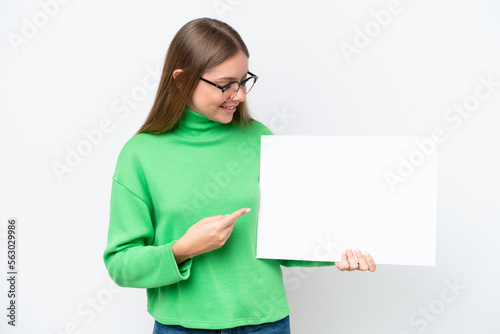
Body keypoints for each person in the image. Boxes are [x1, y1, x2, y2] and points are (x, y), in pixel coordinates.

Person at [103, 17, 376, 334]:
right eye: (225, 84)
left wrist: (338, 253)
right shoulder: (140, 155)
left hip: (265, 324)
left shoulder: (259, 138)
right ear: (181, 80)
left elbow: (289, 237)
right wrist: (183, 249)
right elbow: (121, 264)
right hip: (182, 327)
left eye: (244, 81)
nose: (240, 95)